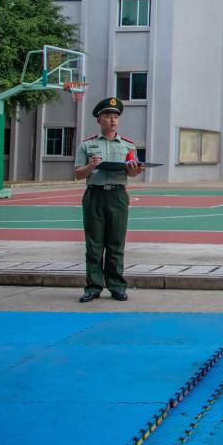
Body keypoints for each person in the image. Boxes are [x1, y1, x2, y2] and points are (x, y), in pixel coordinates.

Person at [74, 97, 143, 303]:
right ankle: (93, 286)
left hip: (117, 195)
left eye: (115, 117)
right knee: (94, 243)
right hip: (95, 194)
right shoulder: (87, 145)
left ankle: (116, 286)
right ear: (99, 119)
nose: (113, 120)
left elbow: (133, 171)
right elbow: (78, 173)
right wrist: (90, 166)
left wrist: (134, 170)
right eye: (108, 116)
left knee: (116, 242)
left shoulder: (128, 145)